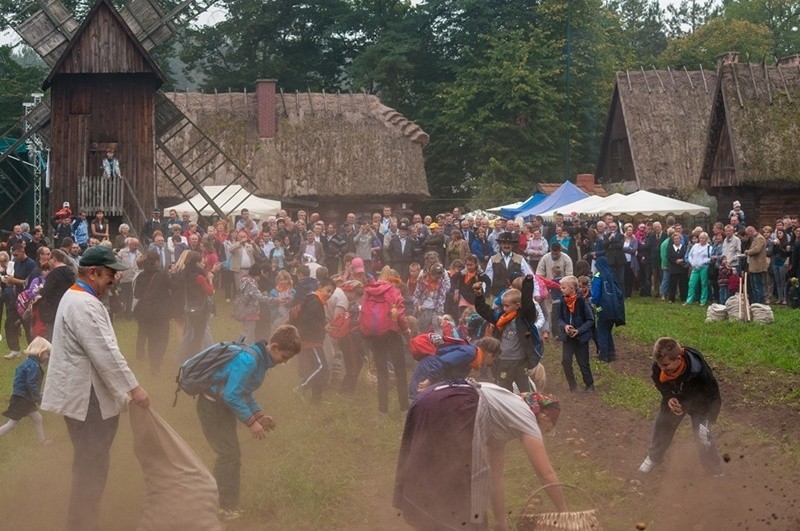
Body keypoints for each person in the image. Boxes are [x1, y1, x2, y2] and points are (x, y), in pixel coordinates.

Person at [40, 245, 150, 531]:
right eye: (110, 274)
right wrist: (134, 389)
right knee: (92, 464)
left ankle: (83, 520)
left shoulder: (79, 298)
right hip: (88, 400)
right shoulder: (83, 304)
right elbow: (105, 353)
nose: (115, 279)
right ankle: (81, 523)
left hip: (85, 395)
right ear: (92, 272)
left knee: (90, 462)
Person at [394, 379, 568, 530]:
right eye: (548, 430)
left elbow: (495, 478)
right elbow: (546, 474)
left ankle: (429, 520)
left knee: (434, 471)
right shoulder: (527, 418)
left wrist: (500, 521)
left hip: (431, 397)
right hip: (455, 405)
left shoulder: (506, 413)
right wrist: (564, 514)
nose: (544, 434)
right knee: (461, 486)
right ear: (545, 418)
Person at [196, 324, 301, 521]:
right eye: (285, 357)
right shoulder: (250, 360)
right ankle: (219, 507)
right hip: (211, 408)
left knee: (230, 454)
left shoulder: (261, 359)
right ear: (275, 347)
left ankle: (223, 504)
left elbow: (244, 391)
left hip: (221, 408)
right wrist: (252, 422)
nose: (284, 362)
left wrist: (259, 415)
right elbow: (231, 395)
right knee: (228, 455)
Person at [639, 337, 723, 477]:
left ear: (678, 358)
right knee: (663, 424)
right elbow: (659, 382)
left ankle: (714, 471)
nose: (661, 368)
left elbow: (709, 397)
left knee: (702, 434)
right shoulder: (659, 366)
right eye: (659, 364)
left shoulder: (700, 373)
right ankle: (654, 458)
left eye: (665, 365)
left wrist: (684, 406)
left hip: (704, 404)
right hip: (677, 397)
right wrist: (669, 397)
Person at [473, 275, 542, 393]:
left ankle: (531, 410)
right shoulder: (500, 317)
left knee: (526, 391)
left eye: (507, 306)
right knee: (504, 391)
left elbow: (528, 304)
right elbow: (484, 311)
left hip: (520, 361)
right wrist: (479, 295)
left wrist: (528, 284)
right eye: (503, 305)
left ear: (518, 305)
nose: (504, 308)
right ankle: (507, 411)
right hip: (502, 361)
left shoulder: (524, 318)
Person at [409, 336, 501, 399]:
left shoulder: (472, 357)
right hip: (430, 370)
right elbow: (443, 362)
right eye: (494, 359)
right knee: (420, 404)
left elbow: (452, 375)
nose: (492, 363)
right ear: (490, 354)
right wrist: (429, 380)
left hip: (433, 371)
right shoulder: (470, 352)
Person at [0, 337, 52, 444]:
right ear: (39, 352)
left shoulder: (29, 362)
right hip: (22, 399)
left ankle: (42, 441)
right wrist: (38, 398)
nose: (48, 356)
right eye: (47, 353)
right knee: (12, 423)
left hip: (25, 397)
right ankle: (43, 441)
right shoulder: (33, 366)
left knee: (37, 418)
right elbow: (30, 383)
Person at [133, 251, 172, 375]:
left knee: (151, 339)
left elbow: (137, 294)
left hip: (145, 312)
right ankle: (156, 363)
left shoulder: (140, 276)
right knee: (162, 339)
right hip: (161, 313)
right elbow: (174, 286)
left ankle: (152, 362)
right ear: (157, 262)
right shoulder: (163, 275)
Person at [556, 276, 595, 392]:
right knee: (566, 361)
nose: (561, 290)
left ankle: (589, 385)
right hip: (568, 338)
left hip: (581, 338)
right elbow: (558, 318)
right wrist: (565, 326)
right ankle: (572, 385)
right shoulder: (562, 301)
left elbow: (590, 320)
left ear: (572, 288)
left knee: (583, 362)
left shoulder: (582, 302)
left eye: (563, 287)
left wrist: (579, 330)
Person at [591, 256, 624, 362]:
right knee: (608, 330)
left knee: (602, 331)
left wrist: (593, 303)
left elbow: (595, 295)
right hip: (614, 309)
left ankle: (603, 355)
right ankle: (611, 352)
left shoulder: (598, 276)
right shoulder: (611, 274)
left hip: (602, 308)